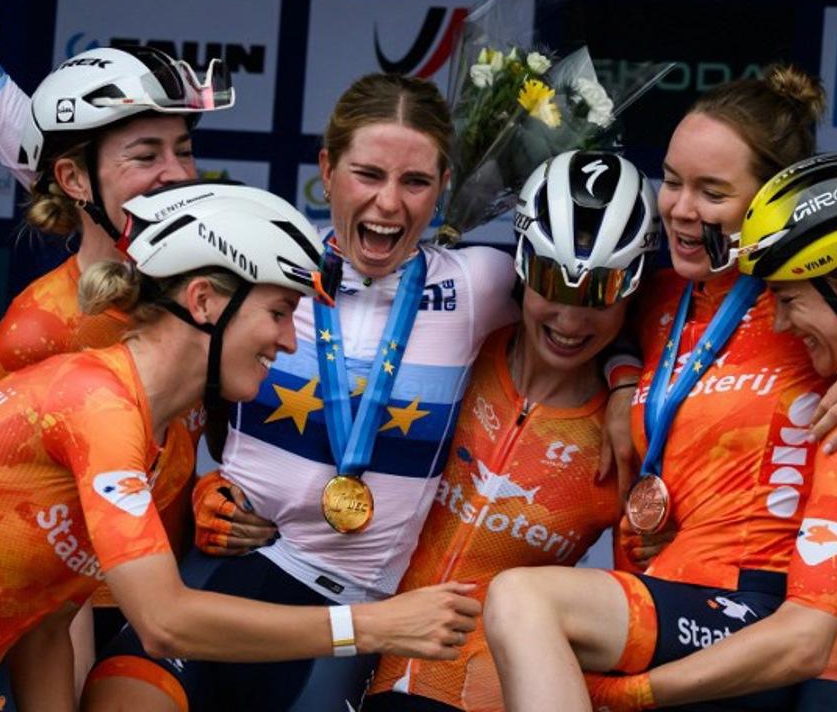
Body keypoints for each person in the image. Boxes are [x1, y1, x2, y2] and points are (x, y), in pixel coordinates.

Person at [0, 183, 482, 712]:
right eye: (279, 312)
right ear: (203, 302)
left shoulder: (159, 435)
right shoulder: (96, 402)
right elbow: (165, 619)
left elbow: (42, 611)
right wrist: (374, 626)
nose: (290, 339)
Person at [481, 67, 837, 712]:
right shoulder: (660, 294)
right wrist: (623, 379)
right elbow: (592, 320)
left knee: (524, 600)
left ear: (770, 202)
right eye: (672, 181)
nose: (679, 207)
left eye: (711, 192)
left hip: (757, 607)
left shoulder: (812, 301)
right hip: (658, 590)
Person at [84, 72, 521, 712]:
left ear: (444, 187)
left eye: (416, 182)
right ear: (326, 168)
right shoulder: (263, 260)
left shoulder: (480, 282)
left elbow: (596, 306)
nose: (390, 204)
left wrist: (623, 377)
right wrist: (208, 487)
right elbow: (78, 191)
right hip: (229, 573)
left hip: (350, 609)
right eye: (368, 175)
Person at [0, 0, 231, 691]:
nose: (176, 173)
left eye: (186, 148)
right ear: (75, 181)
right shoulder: (38, 331)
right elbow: (40, 551)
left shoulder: (220, 265)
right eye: (150, 153)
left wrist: (219, 485)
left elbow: (75, 165)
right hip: (62, 600)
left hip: (176, 599)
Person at [579, 152, 837, 712]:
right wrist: (623, 378)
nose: (777, 325)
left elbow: (802, 639)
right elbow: (619, 314)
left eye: (788, 300)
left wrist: (631, 695)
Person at [363, 150, 660, 712]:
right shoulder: (456, 344)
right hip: (353, 656)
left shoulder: (632, 431)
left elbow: (640, 608)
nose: (571, 321)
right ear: (521, 263)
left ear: (633, 292)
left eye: (599, 292)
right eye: (551, 281)